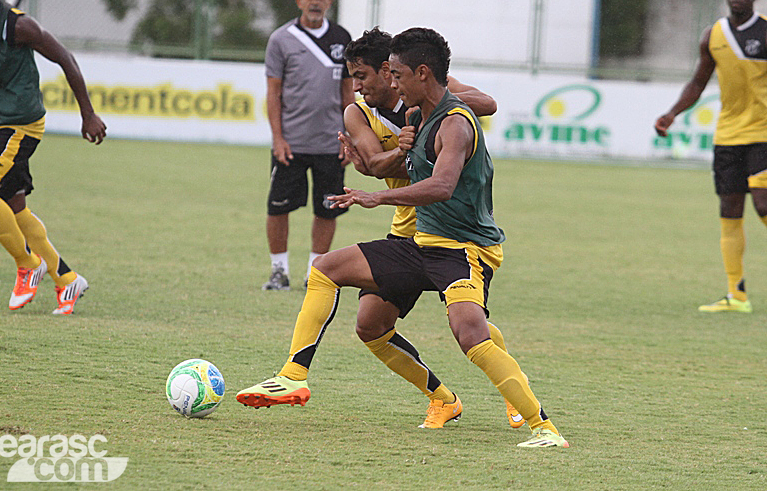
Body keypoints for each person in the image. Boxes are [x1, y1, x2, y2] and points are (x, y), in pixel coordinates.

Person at [238, 27, 568, 448]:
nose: (374, 85)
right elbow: (377, 164)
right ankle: (294, 377)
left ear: (420, 74)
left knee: (469, 329)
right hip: (416, 240)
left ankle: (543, 426)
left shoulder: (451, 121)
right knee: (344, 292)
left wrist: (378, 193)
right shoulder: (402, 116)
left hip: (464, 246)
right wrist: (385, 161)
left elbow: (443, 183)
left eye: (391, 74)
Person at [338, 27, 526, 429]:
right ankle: (442, 400)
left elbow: (487, 103)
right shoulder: (361, 112)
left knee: (466, 325)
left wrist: (435, 107)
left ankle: (519, 398)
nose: (357, 86)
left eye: (362, 75)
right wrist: (396, 151)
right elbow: (372, 167)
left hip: (447, 232)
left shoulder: (431, 96)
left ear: (392, 70)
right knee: (369, 323)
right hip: (406, 228)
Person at [0, 0, 106, 315]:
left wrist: (87, 114)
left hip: (20, 122)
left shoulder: (18, 25)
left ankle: (28, 264)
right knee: (14, 208)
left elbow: (66, 59)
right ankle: (67, 279)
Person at [655, 0, 767, 314]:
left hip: (764, 133)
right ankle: (737, 295)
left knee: (763, 205)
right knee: (730, 212)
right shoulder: (712, 35)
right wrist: (672, 113)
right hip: (729, 136)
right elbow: (698, 82)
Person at [262, 0, 354, 291]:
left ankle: (315, 271)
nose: (315, 3)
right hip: (292, 142)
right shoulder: (281, 39)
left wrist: (349, 138)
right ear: (299, 0)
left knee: (328, 209)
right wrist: (278, 137)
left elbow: (348, 95)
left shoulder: (342, 38)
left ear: (329, 1)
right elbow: (273, 93)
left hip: (331, 142)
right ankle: (279, 270)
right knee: (278, 207)